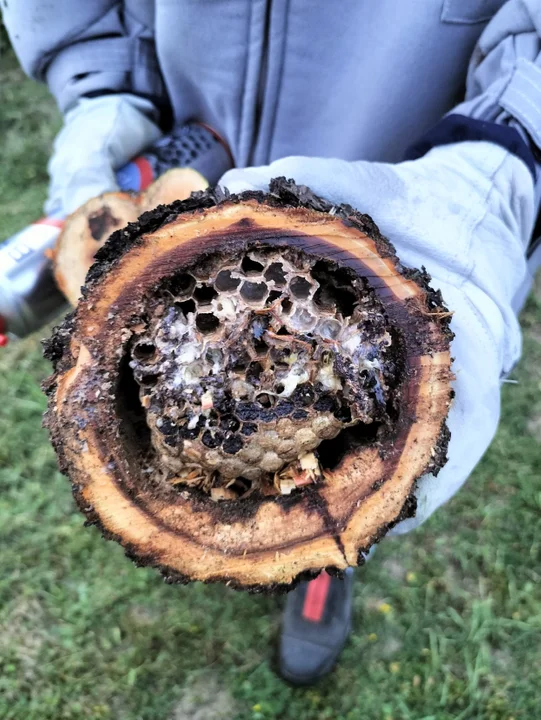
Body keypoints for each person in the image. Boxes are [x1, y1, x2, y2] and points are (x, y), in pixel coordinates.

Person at [4, 1, 541, 686]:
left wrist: (498, 163)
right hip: (194, 127)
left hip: (408, 164)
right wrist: (102, 84)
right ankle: (317, 546)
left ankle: (331, 560)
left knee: (356, 442)